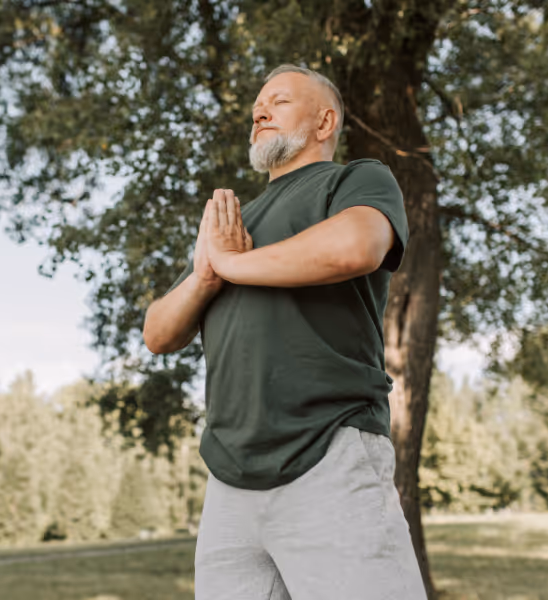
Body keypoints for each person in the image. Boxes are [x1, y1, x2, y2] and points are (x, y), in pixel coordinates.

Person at [143, 64, 426, 599]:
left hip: (330, 452)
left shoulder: (355, 179)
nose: (260, 112)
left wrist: (230, 265)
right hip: (229, 478)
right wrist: (206, 273)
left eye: (279, 101)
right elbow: (158, 333)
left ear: (325, 121)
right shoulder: (232, 226)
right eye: (257, 107)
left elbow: (355, 247)